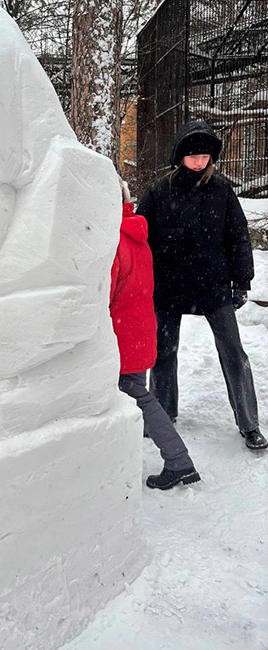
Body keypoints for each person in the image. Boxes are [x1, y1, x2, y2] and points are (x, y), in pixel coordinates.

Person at [137, 120, 267, 451]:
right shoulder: (159, 191)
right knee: (163, 353)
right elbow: (141, 238)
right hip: (168, 285)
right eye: (193, 155)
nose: (198, 161)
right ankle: (162, 414)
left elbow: (238, 237)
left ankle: (249, 423)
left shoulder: (221, 191)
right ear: (180, 156)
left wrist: (242, 281)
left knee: (233, 352)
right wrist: (141, 280)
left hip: (213, 285)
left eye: (204, 155)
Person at [111, 179, 201, 489]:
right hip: (138, 330)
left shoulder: (113, 242)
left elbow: (104, 296)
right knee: (135, 394)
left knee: (137, 395)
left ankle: (179, 461)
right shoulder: (136, 235)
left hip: (122, 335)